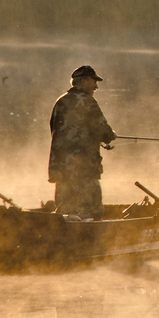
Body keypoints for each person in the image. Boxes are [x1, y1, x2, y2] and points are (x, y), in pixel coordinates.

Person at [48, 65, 116, 220]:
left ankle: (64, 238)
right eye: (94, 81)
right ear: (84, 81)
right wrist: (111, 135)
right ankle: (89, 239)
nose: (96, 86)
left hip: (61, 166)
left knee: (65, 210)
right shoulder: (87, 101)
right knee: (90, 210)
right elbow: (101, 129)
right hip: (84, 166)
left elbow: (54, 129)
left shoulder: (60, 102)